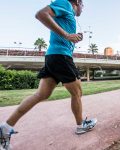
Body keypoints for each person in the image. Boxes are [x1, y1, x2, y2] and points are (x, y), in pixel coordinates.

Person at [0, 0, 97, 149]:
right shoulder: (65, 4)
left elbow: (63, 34)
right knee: (77, 92)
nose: (83, 9)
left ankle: (5, 128)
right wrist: (67, 35)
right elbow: (40, 14)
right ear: (77, 2)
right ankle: (80, 126)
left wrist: (73, 37)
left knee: (40, 95)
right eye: (83, 6)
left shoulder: (68, 12)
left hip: (53, 57)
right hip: (60, 57)